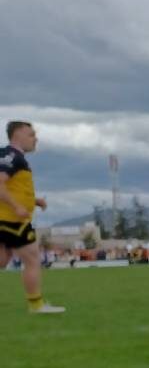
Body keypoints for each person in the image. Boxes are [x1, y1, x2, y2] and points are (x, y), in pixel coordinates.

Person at [0, 121, 64, 314]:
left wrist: (34, 201)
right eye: (31, 134)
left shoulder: (13, 157)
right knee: (32, 258)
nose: (35, 139)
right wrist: (17, 207)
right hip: (12, 220)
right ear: (17, 135)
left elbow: (12, 188)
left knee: (3, 259)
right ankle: (36, 305)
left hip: (8, 217)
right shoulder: (11, 156)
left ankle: (36, 304)